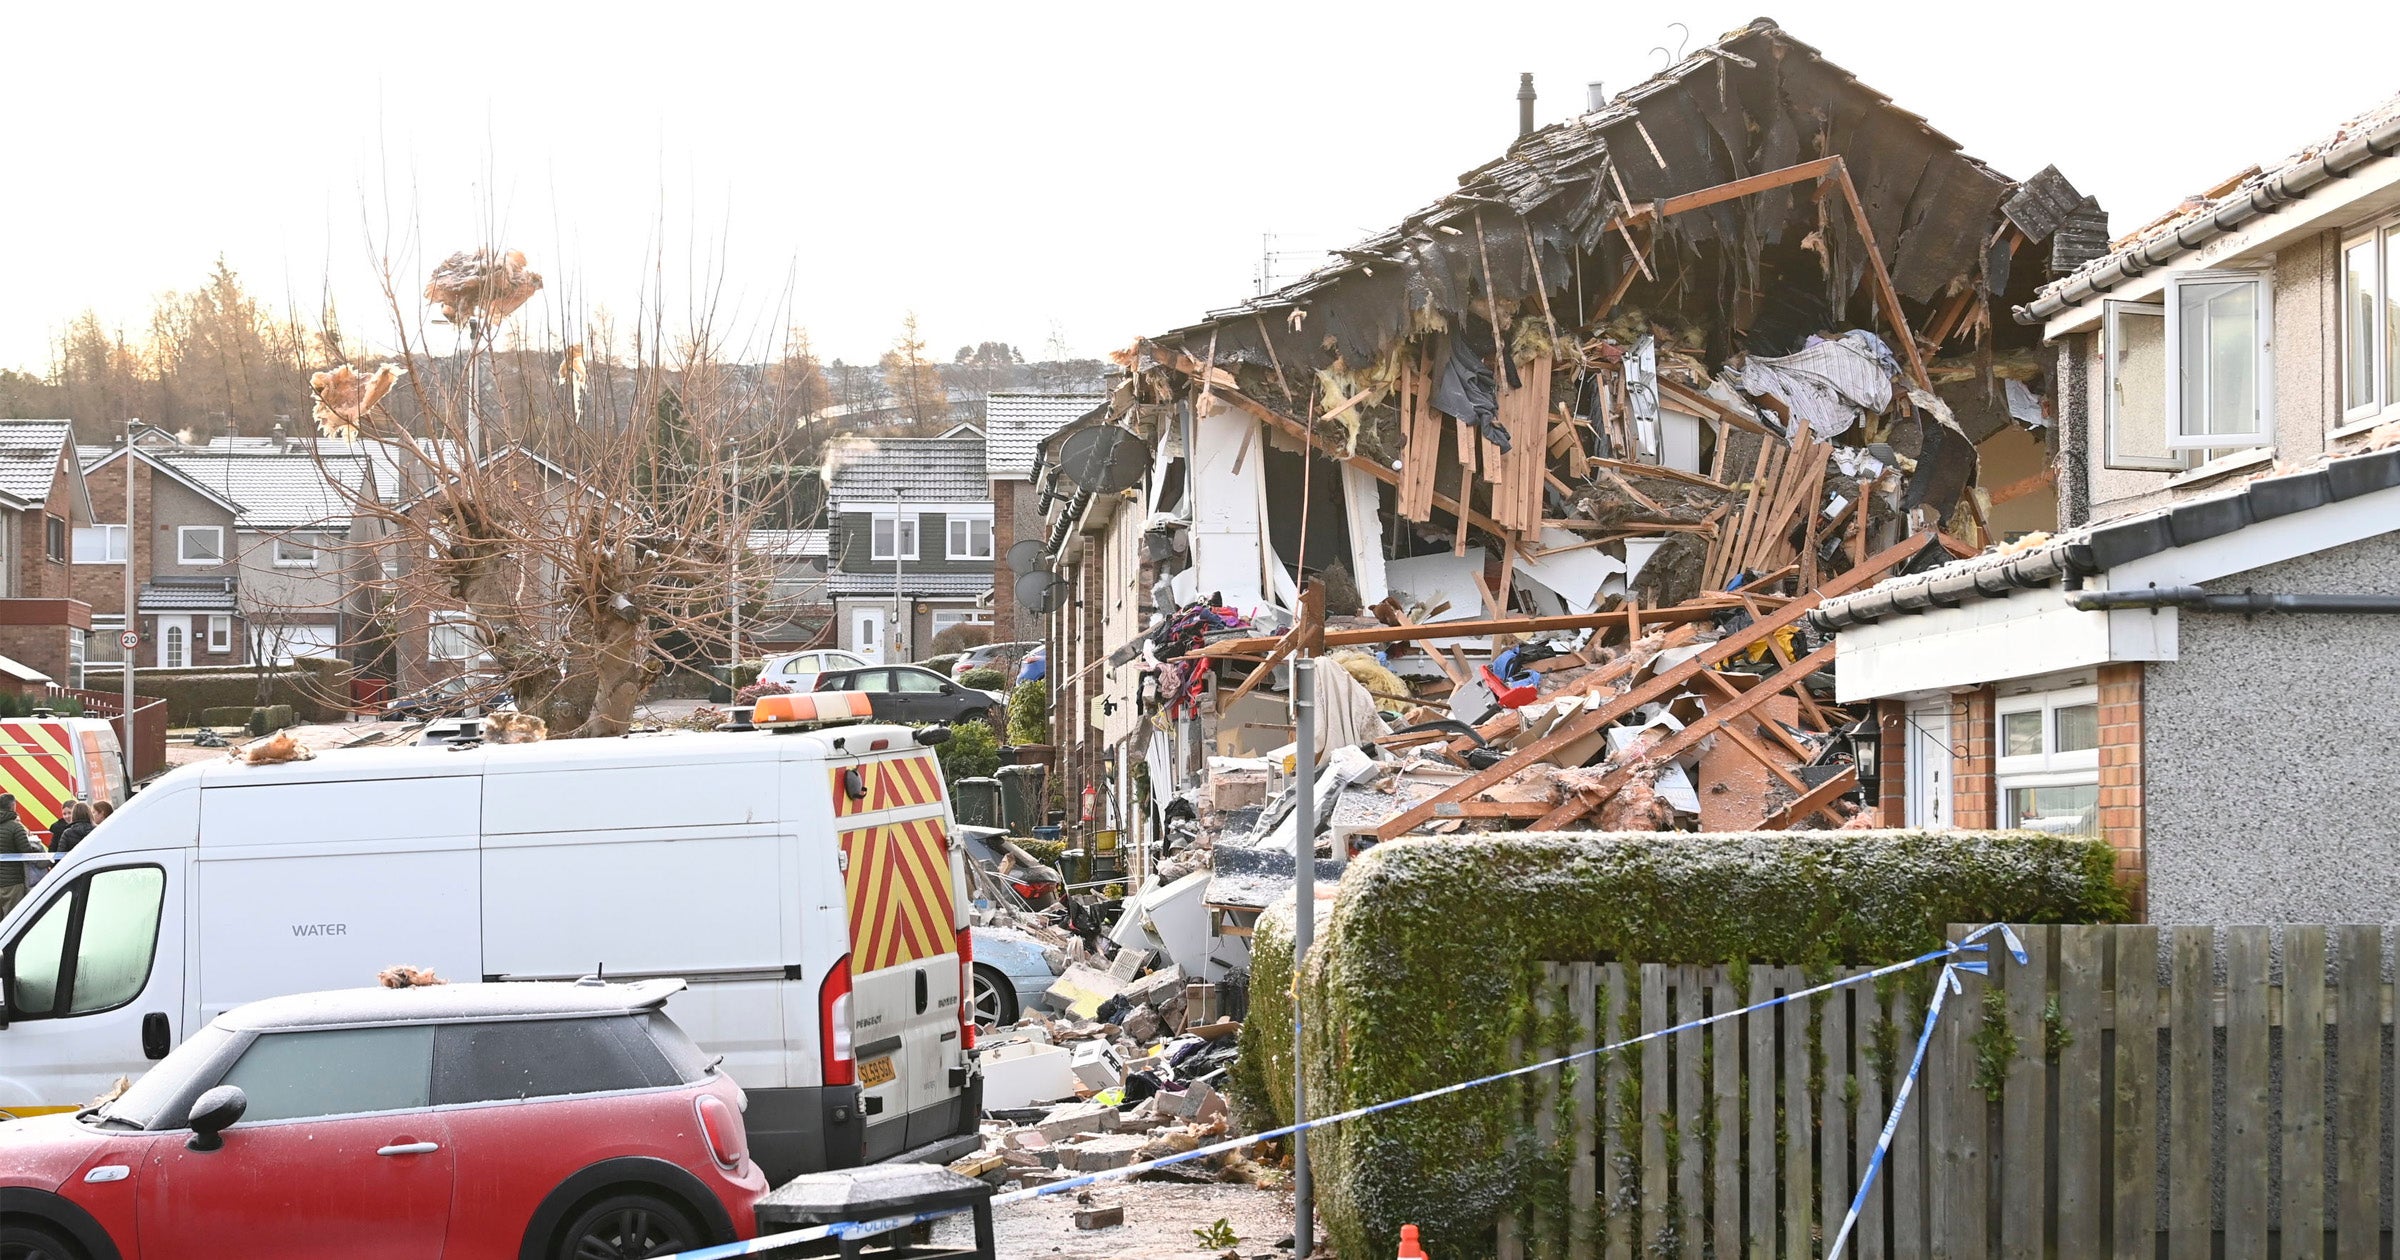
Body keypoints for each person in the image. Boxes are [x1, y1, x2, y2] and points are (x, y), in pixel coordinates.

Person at [0, 794, 34, 917]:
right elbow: (26, 851)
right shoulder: (16, 827)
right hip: (12, 882)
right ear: (13, 806)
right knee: (13, 919)